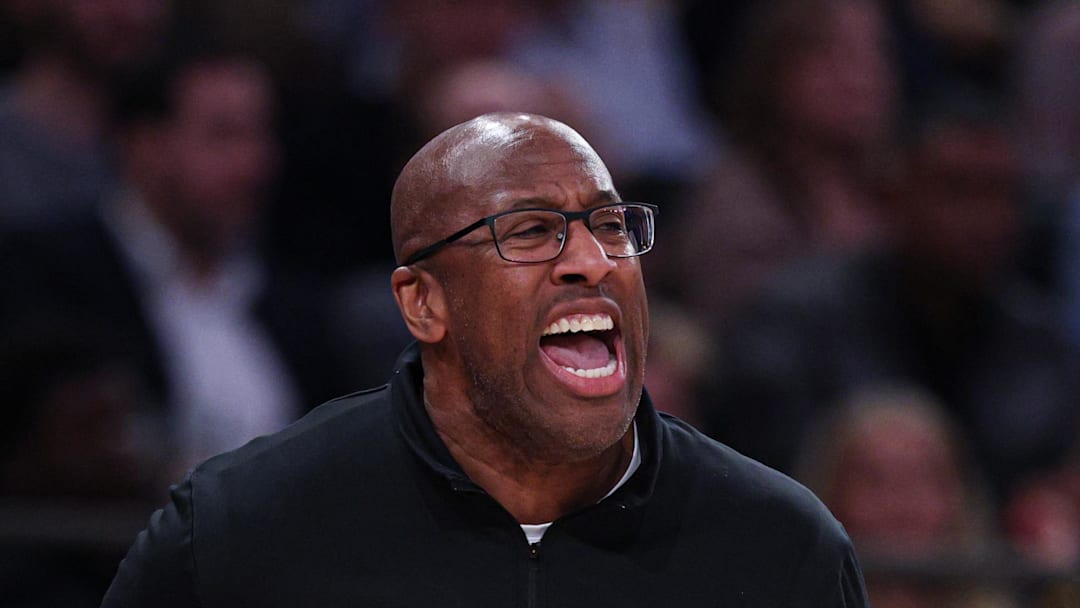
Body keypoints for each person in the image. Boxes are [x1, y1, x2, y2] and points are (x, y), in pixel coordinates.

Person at [101, 113, 868, 607]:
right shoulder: (243, 529)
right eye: (531, 232)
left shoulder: (780, 550)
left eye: (609, 224)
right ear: (423, 303)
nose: (591, 260)